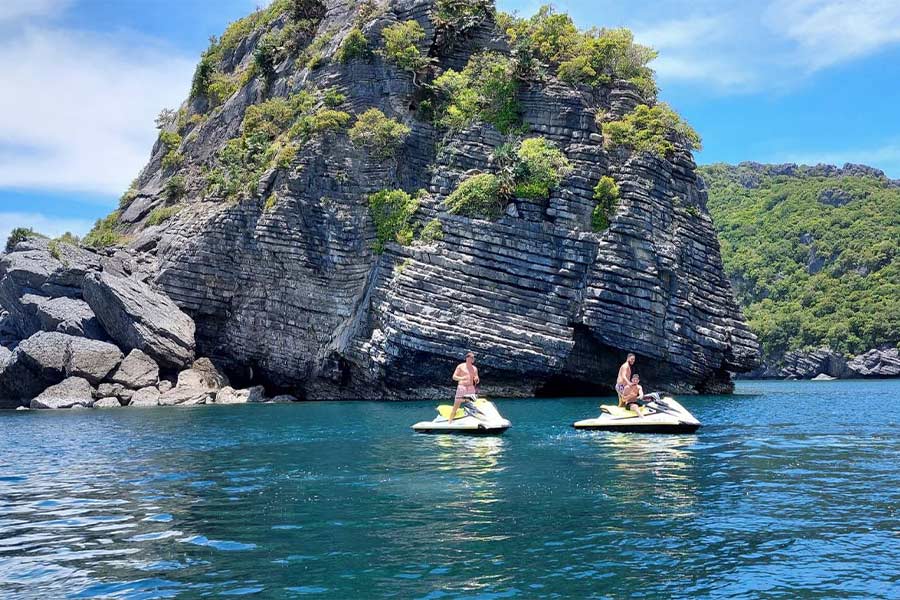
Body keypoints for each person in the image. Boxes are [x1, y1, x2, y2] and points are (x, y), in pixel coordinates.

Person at [448, 351, 480, 424]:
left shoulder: (474, 368)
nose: (473, 359)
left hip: (471, 388)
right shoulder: (460, 366)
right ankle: (449, 422)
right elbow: (454, 377)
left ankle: (472, 421)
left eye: (473, 358)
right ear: (467, 358)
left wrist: (477, 379)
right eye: (471, 357)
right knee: (457, 404)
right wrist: (462, 378)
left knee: (471, 406)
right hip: (462, 387)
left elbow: (476, 377)